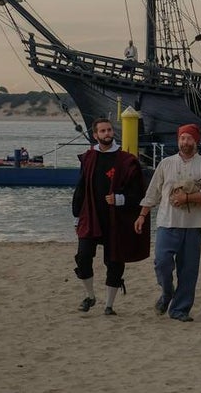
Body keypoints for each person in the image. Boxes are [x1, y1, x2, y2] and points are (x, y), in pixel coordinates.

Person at [134, 123, 201, 322]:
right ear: (178, 140)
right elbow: (153, 191)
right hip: (167, 222)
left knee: (188, 270)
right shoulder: (166, 163)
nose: (185, 142)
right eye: (182, 138)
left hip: (193, 225)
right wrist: (142, 215)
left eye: (189, 138)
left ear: (196, 141)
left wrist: (188, 198)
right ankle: (167, 291)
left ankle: (180, 310)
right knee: (162, 263)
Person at [71, 117, 150, 315]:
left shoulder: (127, 160)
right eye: (102, 131)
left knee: (115, 261)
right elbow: (80, 188)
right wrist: (76, 217)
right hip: (91, 217)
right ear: (96, 135)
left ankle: (109, 305)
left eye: (109, 130)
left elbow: (139, 193)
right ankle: (90, 296)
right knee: (83, 256)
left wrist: (119, 199)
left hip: (117, 220)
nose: (107, 134)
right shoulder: (89, 158)